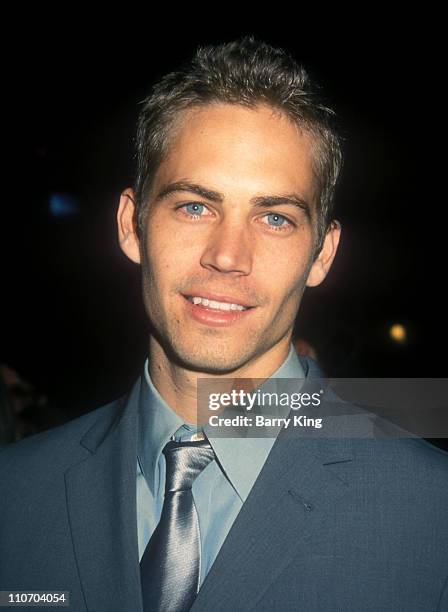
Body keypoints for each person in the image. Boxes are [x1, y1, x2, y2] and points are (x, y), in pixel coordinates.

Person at [1, 36, 447, 612]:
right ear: (132, 225)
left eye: (276, 218)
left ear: (322, 254)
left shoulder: (432, 516)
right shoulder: (14, 496)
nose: (228, 255)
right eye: (195, 206)